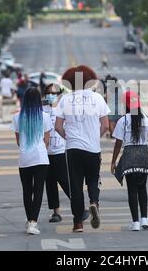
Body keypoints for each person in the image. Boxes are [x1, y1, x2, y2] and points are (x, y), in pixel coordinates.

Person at [54, 65, 111, 233]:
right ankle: (94, 201)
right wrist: (94, 137)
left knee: (76, 185)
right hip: (92, 148)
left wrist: (69, 138)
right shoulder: (98, 98)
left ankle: (77, 222)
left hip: (73, 148)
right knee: (93, 179)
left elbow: (57, 127)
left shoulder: (65, 100)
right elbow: (106, 125)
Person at [111, 91, 148, 231]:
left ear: (125, 104)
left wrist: (113, 161)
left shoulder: (122, 120)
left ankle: (135, 223)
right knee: (142, 187)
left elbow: (118, 144)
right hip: (144, 155)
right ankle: (145, 219)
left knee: (132, 189)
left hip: (129, 156)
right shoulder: (146, 118)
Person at [42, 83, 89, 223]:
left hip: (61, 150)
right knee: (50, 183)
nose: (51, 96)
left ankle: (80, 209)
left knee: (66, 181)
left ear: (59, 95)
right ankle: (56, 212)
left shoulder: (65, 109)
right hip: (45, 152)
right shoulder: (42, 110)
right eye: (48, 93)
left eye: (54, 93)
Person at [12, 87, 52, 235]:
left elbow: (18, 140)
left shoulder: (17, 117)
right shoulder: (45, 116)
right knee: (39, 190)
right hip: (41, 157)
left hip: (24, 157)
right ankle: (33, 222)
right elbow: (47, 140)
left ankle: (30, 220)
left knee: (27, 191)